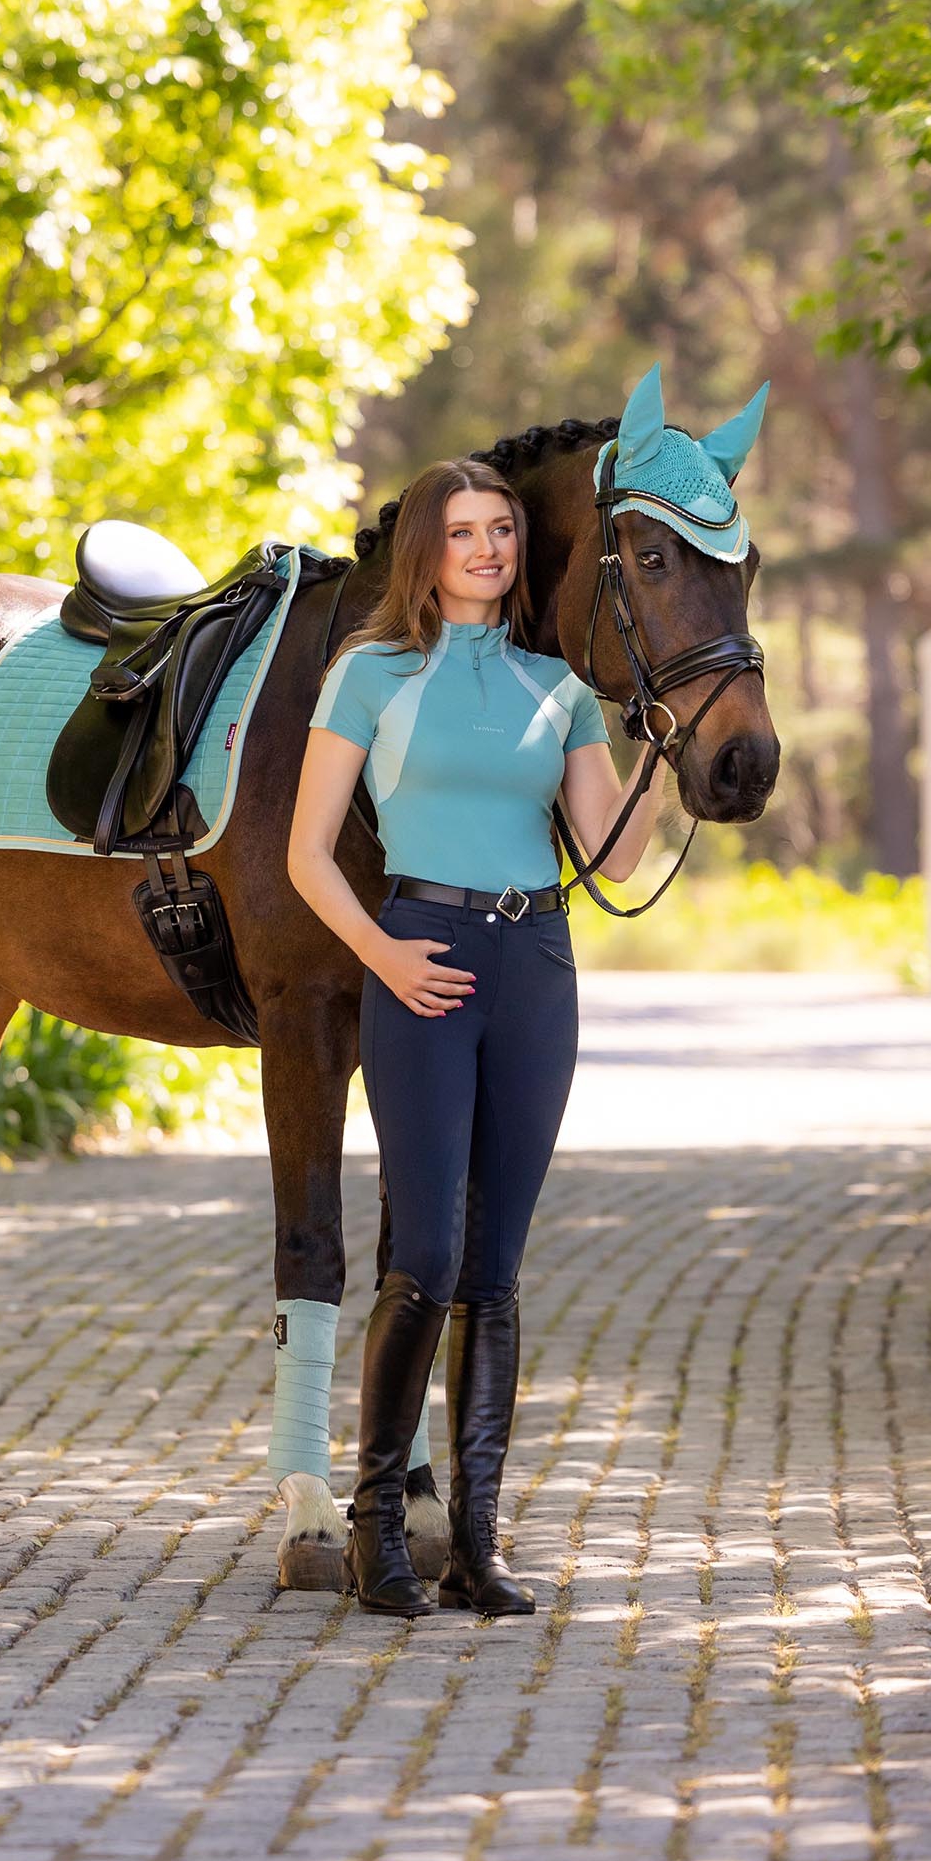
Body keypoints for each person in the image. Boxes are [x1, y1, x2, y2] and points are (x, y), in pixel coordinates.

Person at [286, 458, 668, 1618]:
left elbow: (608, 859)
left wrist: (654, 755)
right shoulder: (369, 677)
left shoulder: (559, 689)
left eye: (501, 530)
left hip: (536, 966)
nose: (489, 550)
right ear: (424, 551)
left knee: (496, 1273)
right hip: (422, 953)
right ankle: (376, 1532)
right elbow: (308, 855)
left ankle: (477, 1547)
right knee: (428, 1260)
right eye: (463, 533)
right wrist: (384, 956)